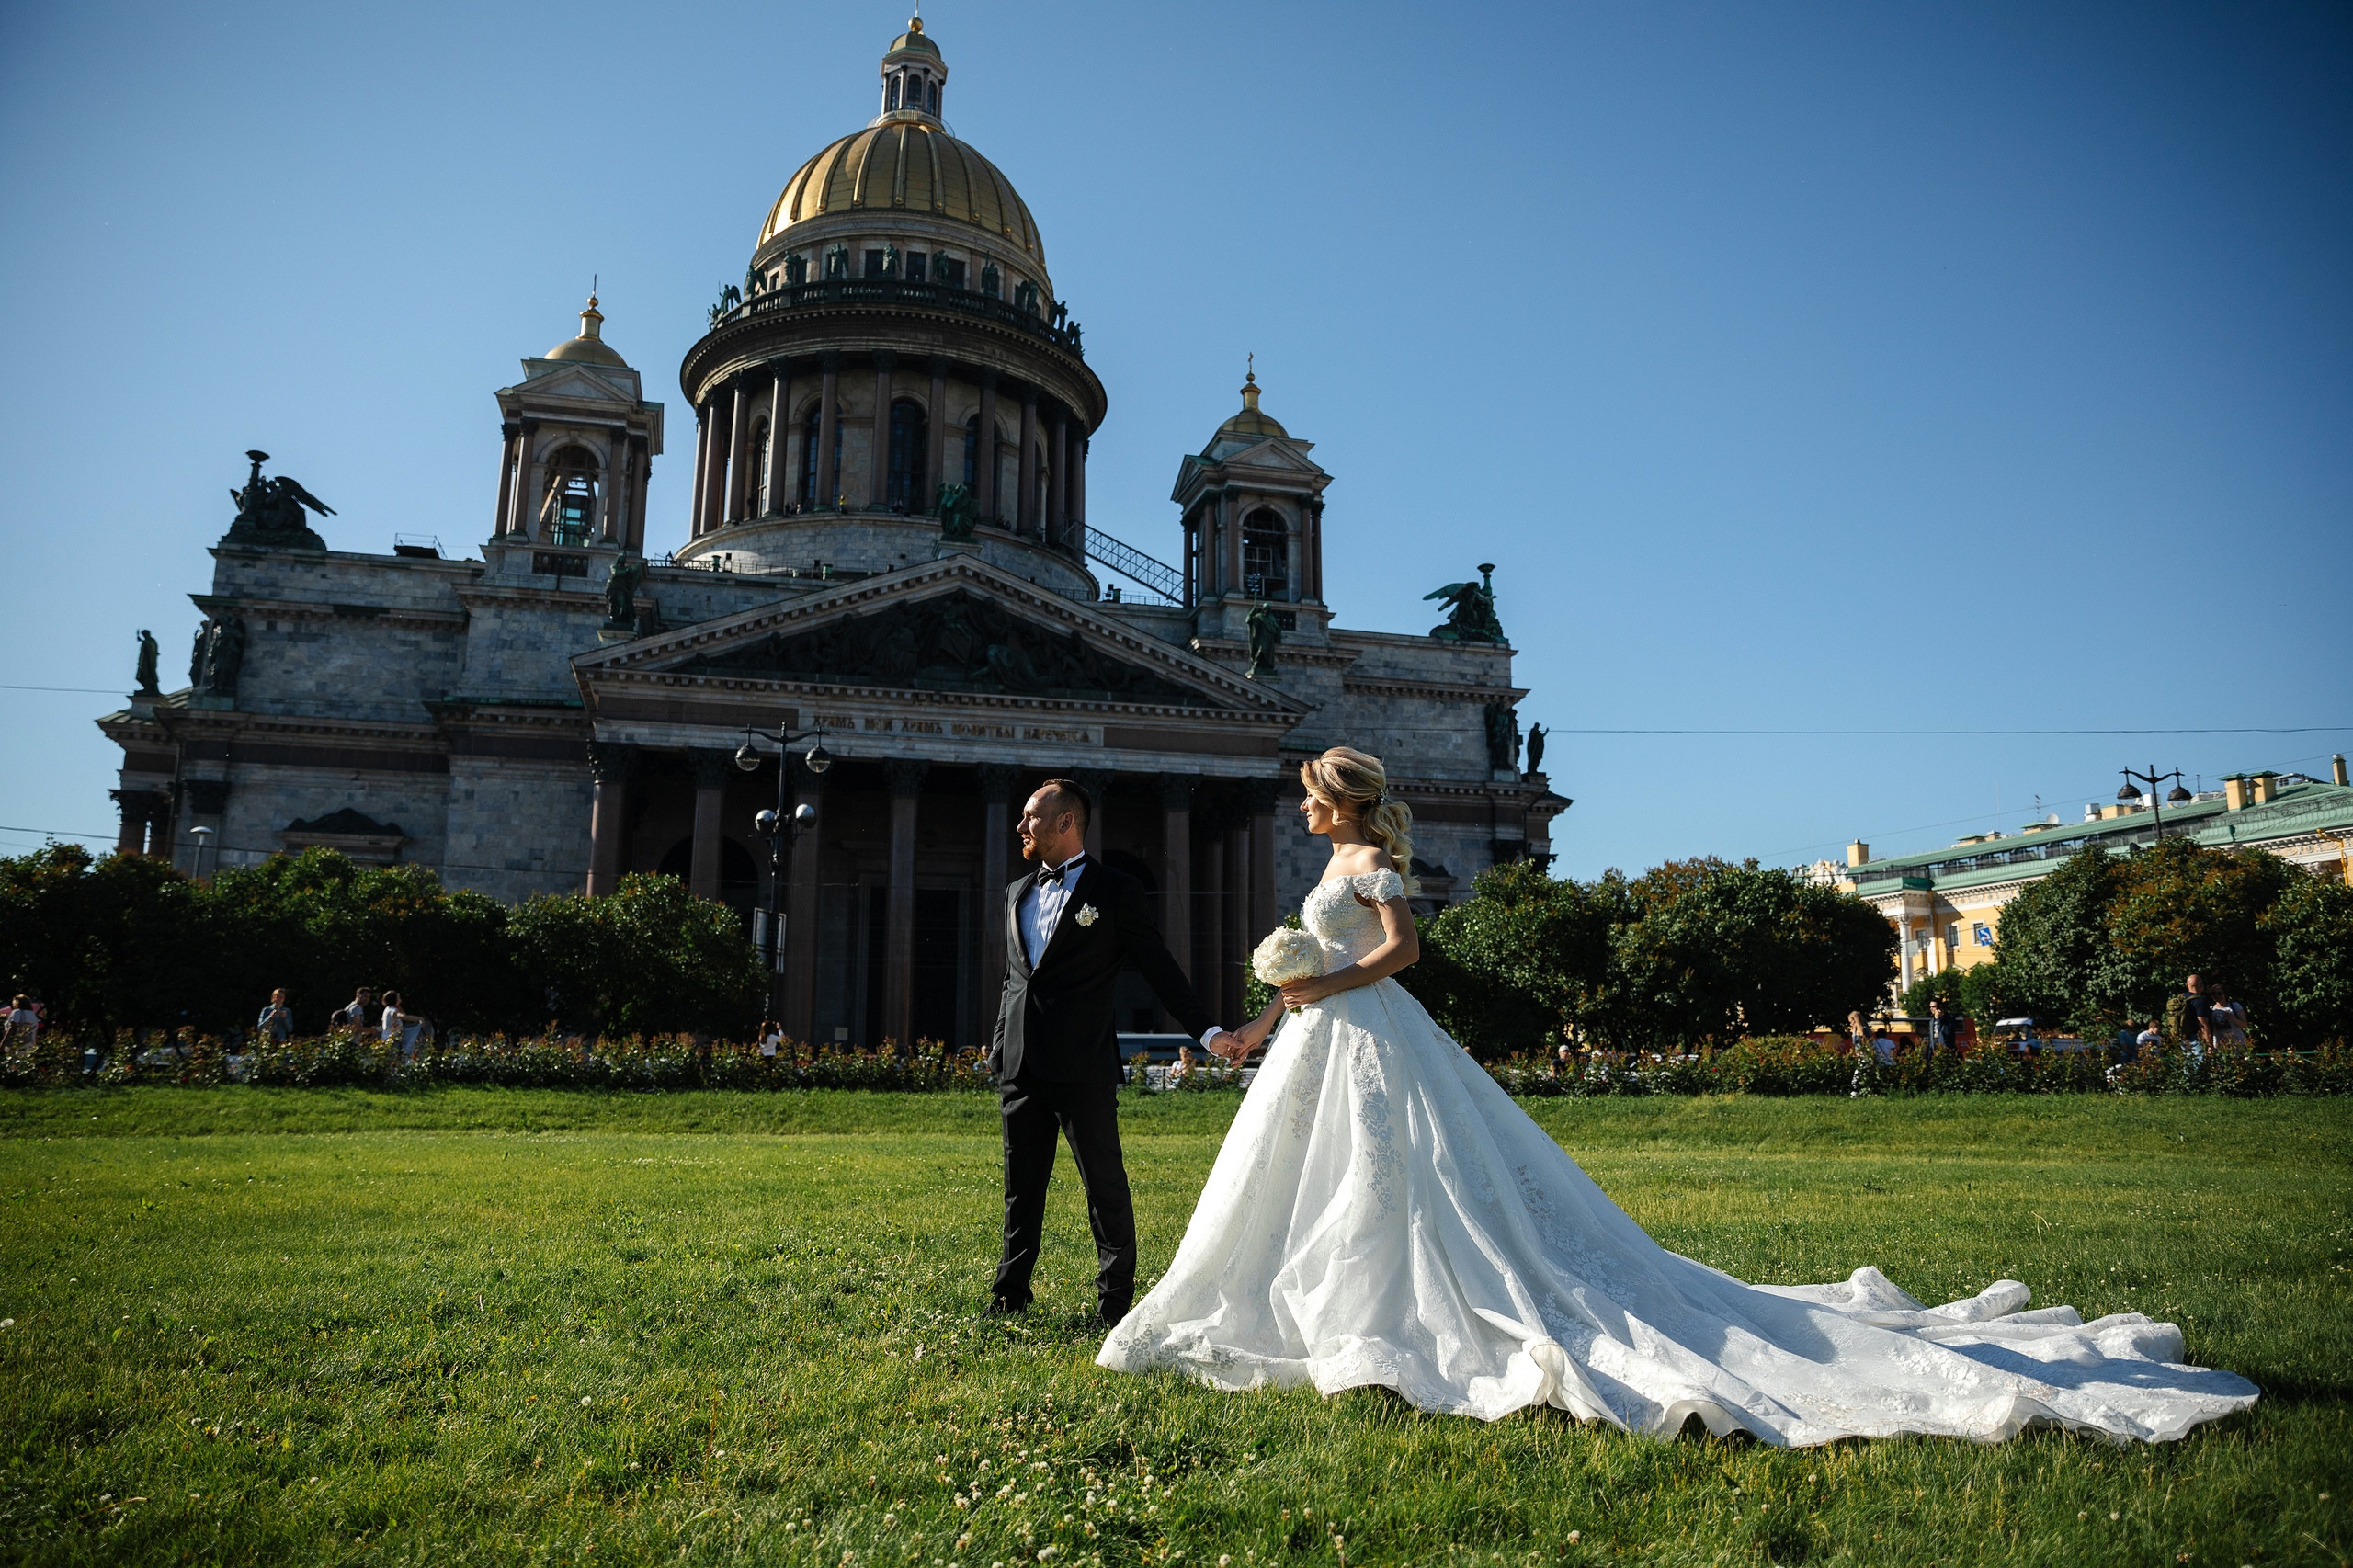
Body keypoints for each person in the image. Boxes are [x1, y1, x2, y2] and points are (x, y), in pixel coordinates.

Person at [1097, 744, 2259, 1443]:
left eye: (1309, 797)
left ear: (1340, 803)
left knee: (1403, 1177)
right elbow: (1338, 967)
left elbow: (1403, 954)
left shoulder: (1369, 864)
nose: (1299, 808)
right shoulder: (1329, 863)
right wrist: (1268, 1015)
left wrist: (1322, 981)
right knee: (1331, 1173)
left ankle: (1385, 1311)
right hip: (1326, 1034)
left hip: (1365, 1023)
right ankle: (1310, 1302)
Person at [984, 778, 1241, 1328]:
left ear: (1065, 823)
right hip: (1021, 1067)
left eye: (1032, 815)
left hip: (1082, 1066)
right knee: (1020, 1187)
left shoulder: (1115, 890)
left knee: (1104, 1187)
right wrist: (1001, 1044)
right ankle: (1009, 1295)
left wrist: (1208, 1032)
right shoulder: (1016, 892)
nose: (1022, 825)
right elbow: (1013, 979)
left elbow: (1159, 968)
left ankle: (1114, 1304)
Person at [2205, 983, 2250, 1050]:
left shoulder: (2234, 1006)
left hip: (2237, 1044)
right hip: (2220, 1045)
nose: (2217, 996)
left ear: (2225, 994)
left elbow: (2244, 1025)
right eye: (2213, 994)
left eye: (2219, 993)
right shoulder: (2211, 1009)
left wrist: (2232, 1018)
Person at [1923, 996, 1961, 1070]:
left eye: (1933, 1007)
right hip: (1934, 1051)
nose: (1931, 1009)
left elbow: (1946, 1033)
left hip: (1945, 1050)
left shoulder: (1949, 1019)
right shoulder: (1932, 1021)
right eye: (1930, 1007)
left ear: (1940, 1007)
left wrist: (1939, 1020)